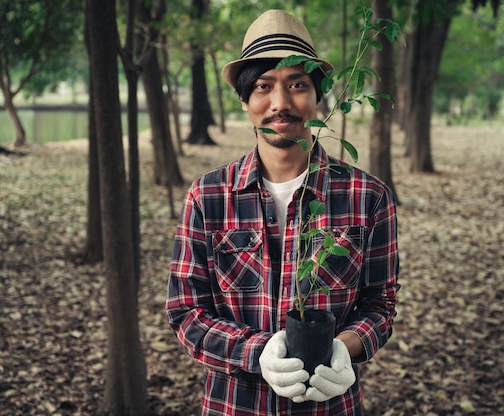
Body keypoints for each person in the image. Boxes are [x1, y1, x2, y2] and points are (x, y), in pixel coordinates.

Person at [166, 9, 400, 416]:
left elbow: (380, 304)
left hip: (330, 406)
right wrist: (258, 350)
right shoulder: (208, 196)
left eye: (297, 84)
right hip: (232, 406)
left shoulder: (367, 196)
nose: (281, 103)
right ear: (245, 100)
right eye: (263, 86)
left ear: (317, 96)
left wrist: (345, 348)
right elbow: (186, 311)